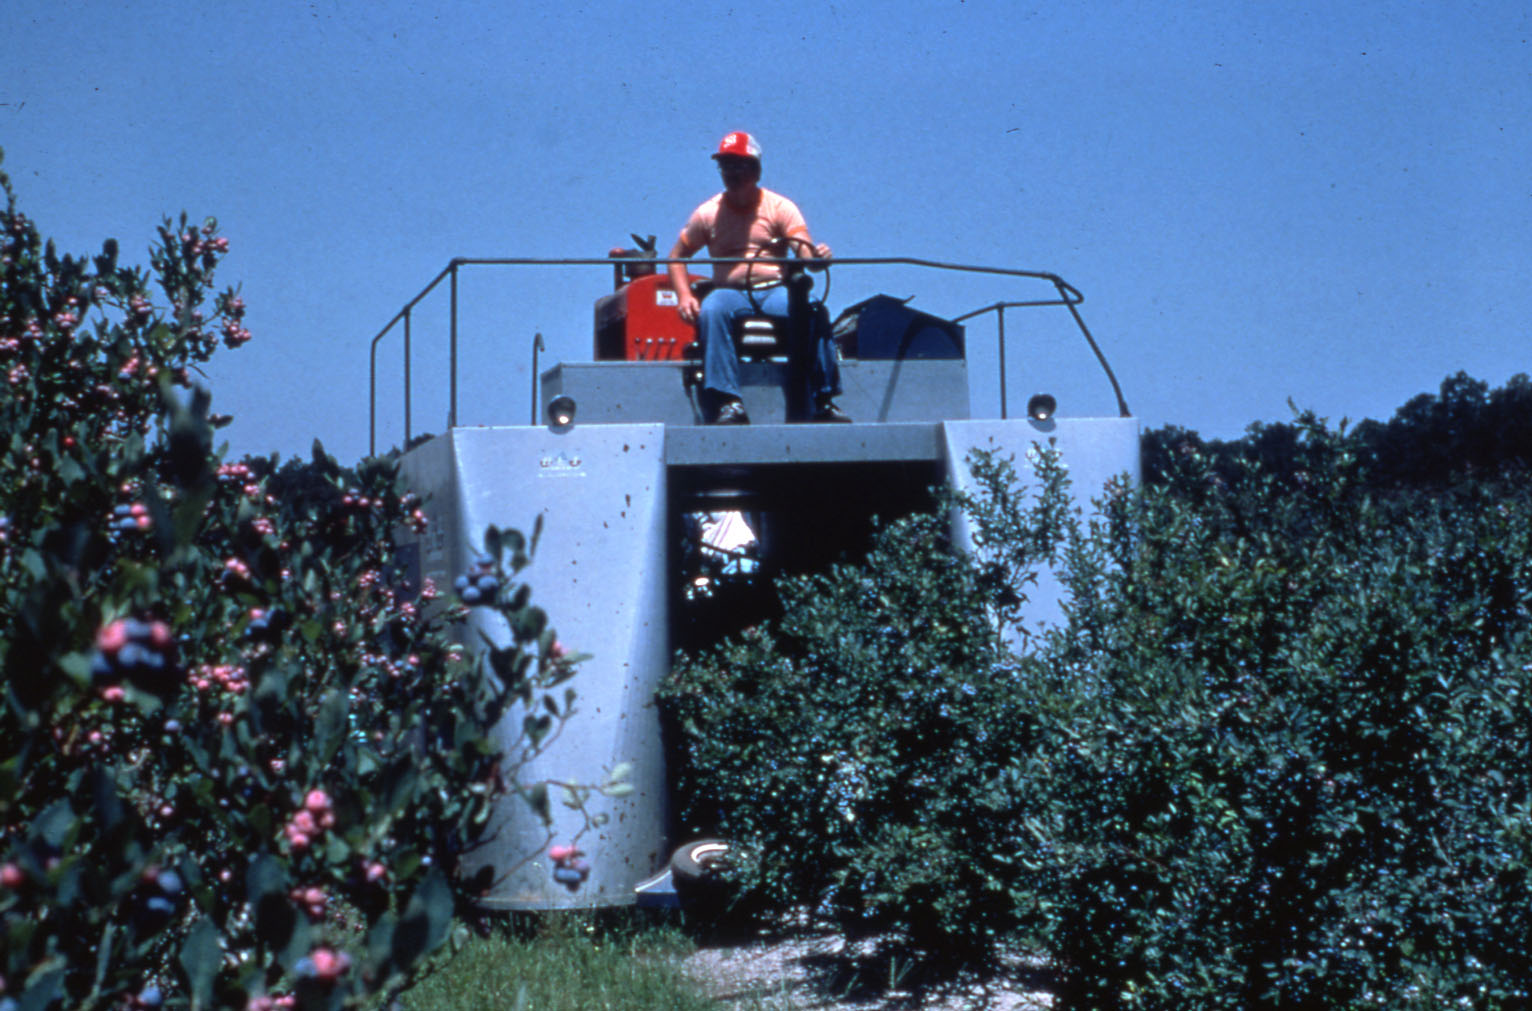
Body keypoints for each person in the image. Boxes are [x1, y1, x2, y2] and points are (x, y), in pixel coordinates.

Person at [667, 131, 850, 424]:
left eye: (738, 165)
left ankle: (823, 399)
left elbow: (803, 250)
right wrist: (684, 296)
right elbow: (676, 257)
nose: (731, 173)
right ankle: (729, 401)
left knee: (814, 309)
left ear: (754, 169)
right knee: (712, 310)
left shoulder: (780, 207)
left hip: (774, 290)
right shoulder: (707, 213)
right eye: (725, 165)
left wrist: (816, 257)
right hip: (730, 292)